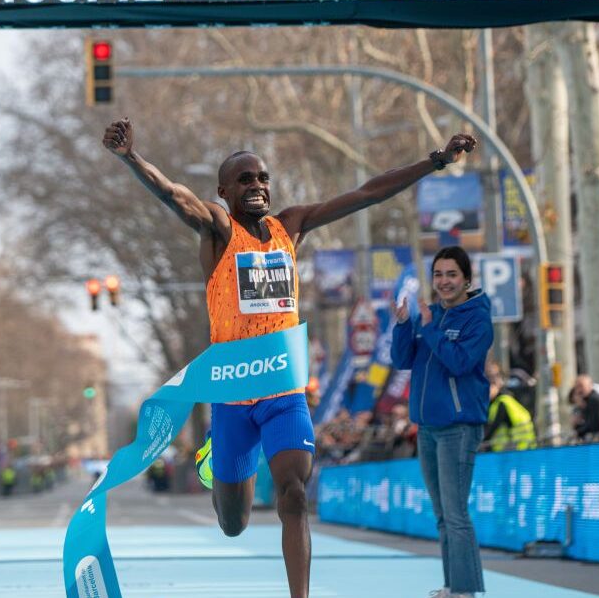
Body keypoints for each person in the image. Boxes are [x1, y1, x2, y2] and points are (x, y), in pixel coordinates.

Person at [102, 117, 476, 598]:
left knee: (295, 496)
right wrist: (132, 157)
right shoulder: (219, 231)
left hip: (283, 391)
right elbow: (175, 196)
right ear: (224, 191)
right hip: (234, 396)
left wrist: (437, 160)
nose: (257, 186)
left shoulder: (290, 227)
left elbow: (368, 193)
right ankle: (214, 461)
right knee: (233, 523)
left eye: (262, 178)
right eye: (245, 180)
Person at [391, 246, 493, 598]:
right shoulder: (428, 314)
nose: (444, 281)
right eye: (438, 275)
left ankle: (464, 589)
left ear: (466, 279)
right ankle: (454, 585)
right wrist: (405, 325)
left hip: (459, 427)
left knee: (456, 513)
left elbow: (461, 363)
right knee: (442, 515)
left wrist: (431, 331)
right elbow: (403, 359)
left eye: (452, 274)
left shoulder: (477, 317)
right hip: (428, 428)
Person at [484, 374, 536, 452]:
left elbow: (493, 427)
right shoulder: (505, 400)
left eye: (488, 389)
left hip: (516, 447)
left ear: (495, 386)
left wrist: (481, 442)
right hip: (524, 446)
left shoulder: (502, 402)